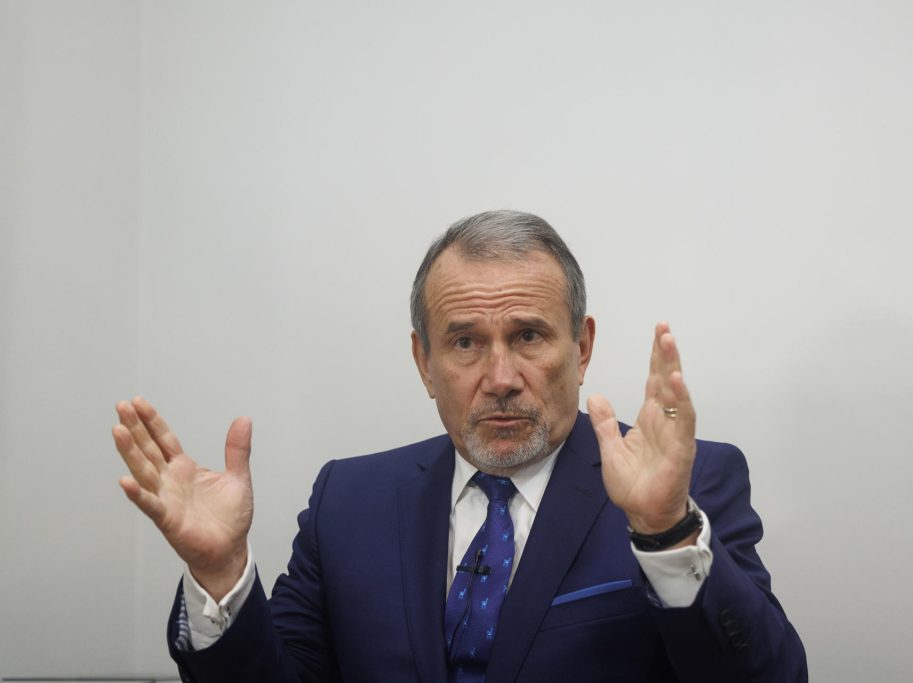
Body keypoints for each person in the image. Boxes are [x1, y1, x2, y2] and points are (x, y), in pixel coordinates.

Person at [112, 210, 807, 682]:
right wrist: (220, 572)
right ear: (424, 362)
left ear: (582, 346)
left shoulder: (687, 487)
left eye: (528, 336)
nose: (500, 377)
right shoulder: (347, 501)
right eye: (466, 342)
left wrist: (666, 532)